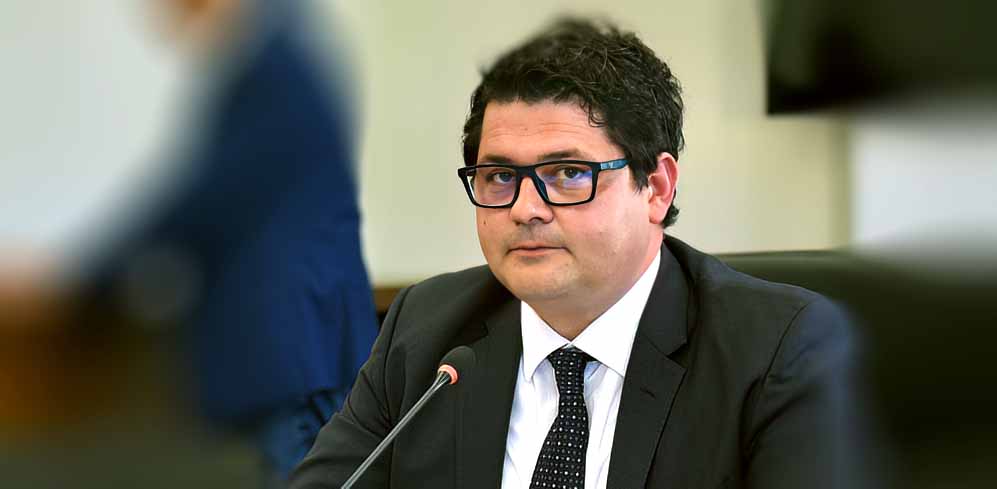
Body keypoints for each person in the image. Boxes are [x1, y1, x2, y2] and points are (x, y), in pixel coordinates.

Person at [290, 18, 865, 489]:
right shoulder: (425, 332)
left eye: (567, 173)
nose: (525, 209)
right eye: (499, 177)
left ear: (656, 188)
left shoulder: (780, 352)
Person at [77, 0, 377, 484]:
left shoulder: (271, 67)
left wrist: (80, 282)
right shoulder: (283, 52)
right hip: (297, 350)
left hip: (290, 354)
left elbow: (207, 201)